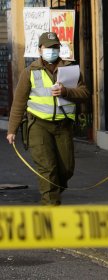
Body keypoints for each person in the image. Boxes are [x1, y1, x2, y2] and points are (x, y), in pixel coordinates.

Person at [6, 32, 90, 205]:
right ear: (39, 50)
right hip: (38, 125)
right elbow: (19, 103)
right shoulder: (30, 72)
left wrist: (66, 91)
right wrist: (12, 130)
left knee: (66, 169)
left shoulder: (70, 69)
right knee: (47, 169)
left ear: (59, 49)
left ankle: (50, 194)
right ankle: (50, 208)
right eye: (48, 48)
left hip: (63, 125)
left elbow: (85, 93)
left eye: (55, 47)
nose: (52, 51)